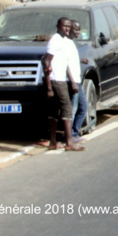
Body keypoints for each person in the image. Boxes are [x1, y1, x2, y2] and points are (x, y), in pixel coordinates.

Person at [43, 17, 84, 151]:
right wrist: (49, 86)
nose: (67, 29)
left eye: (68, 26)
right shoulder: (55, 40)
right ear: (58, 26)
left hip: (59, 78)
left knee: (54, 111)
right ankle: (69, 142)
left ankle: (53, 142)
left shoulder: (63, 40)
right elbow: (46, 61)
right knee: (67, 109)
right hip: (56, 80)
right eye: (64, 26)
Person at [68, 20, 88, 144]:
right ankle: (69, 136)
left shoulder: (71, 43)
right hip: (73, 82)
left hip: (77, 80)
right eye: (75, 29)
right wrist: (72, 83)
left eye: (79, 30)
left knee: (83, 107)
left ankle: (74, 132)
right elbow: (66, 64)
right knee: (73, 109)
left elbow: (71, 60)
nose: (78, 32)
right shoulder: (65, 43)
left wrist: (81, 60)